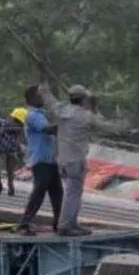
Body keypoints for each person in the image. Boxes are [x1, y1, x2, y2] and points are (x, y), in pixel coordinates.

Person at [39, 81, 127, 236]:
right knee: (73, 194)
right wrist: (97, 109)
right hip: (76, 160)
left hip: (62, 159)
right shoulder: (86, 116)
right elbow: (110, 128)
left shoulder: (61, 110)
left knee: (73, 193)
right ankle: (65, 226)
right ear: (83, 99)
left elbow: (48, 98)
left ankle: (72, 223)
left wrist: (43, 84)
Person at [16, 86, 63, 236]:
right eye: (39, 95)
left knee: (57, 194)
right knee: (39, 193)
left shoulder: (41, 115)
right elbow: (46, 129)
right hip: (41, 161)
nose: (42, 98)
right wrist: (67, 124)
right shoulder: (33, 115)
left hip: (50, 161)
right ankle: (24, 224)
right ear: (32, 99)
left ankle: (59, 224)